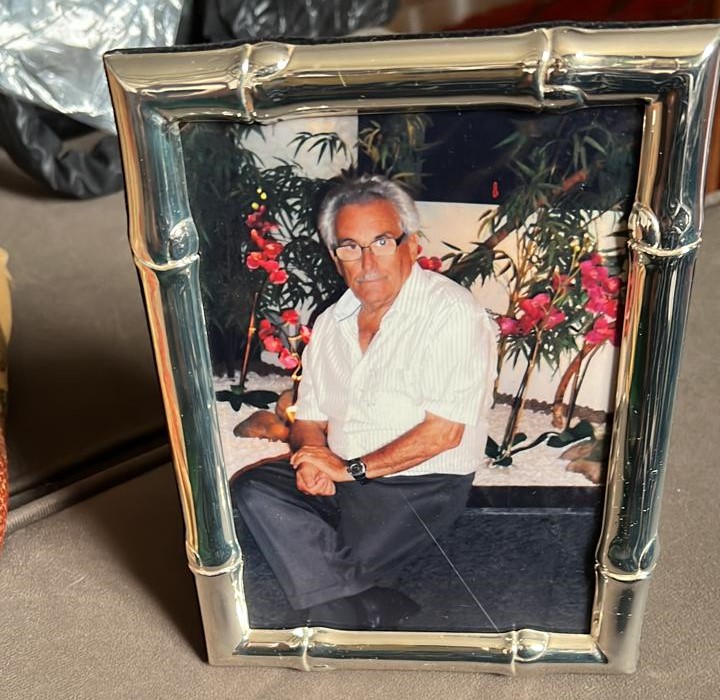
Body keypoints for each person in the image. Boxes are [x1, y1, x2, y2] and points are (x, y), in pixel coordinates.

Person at [232, 175, 497, 630]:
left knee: (331, 560)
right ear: (336, 257)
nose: (368, 262)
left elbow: (444, 433)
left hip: (418, 486)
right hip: (345, 477)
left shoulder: (451, 312)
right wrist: (312, 458)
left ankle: (343, 606)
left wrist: (349, 469)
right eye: (350, 247)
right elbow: (309, 417)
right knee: (254, 489)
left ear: (412, 245)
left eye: (382, 241)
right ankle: (362, 602)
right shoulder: (332, 322)